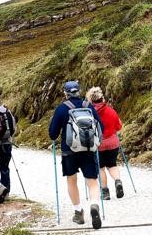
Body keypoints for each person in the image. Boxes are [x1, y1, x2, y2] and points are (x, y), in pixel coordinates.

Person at [49, 80, 104, 229]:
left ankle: (78, 212)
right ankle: (94, 205)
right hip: (88, 150)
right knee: (92, 181)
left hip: (69, 151)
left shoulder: (62, 109)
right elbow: (101, 127)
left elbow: (52, 134)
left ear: (65, 93)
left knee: (71, 180)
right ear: (79, 91)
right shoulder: (88, 106)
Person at [87, 87, 124, 200]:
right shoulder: (111, 110)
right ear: (102, 98)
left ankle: (105, 192)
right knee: (112, 164)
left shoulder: (89, 113)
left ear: (90, 99)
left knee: (101, 168)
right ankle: (118, 181)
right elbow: (119, 126)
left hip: (99, 144)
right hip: (113, 142)